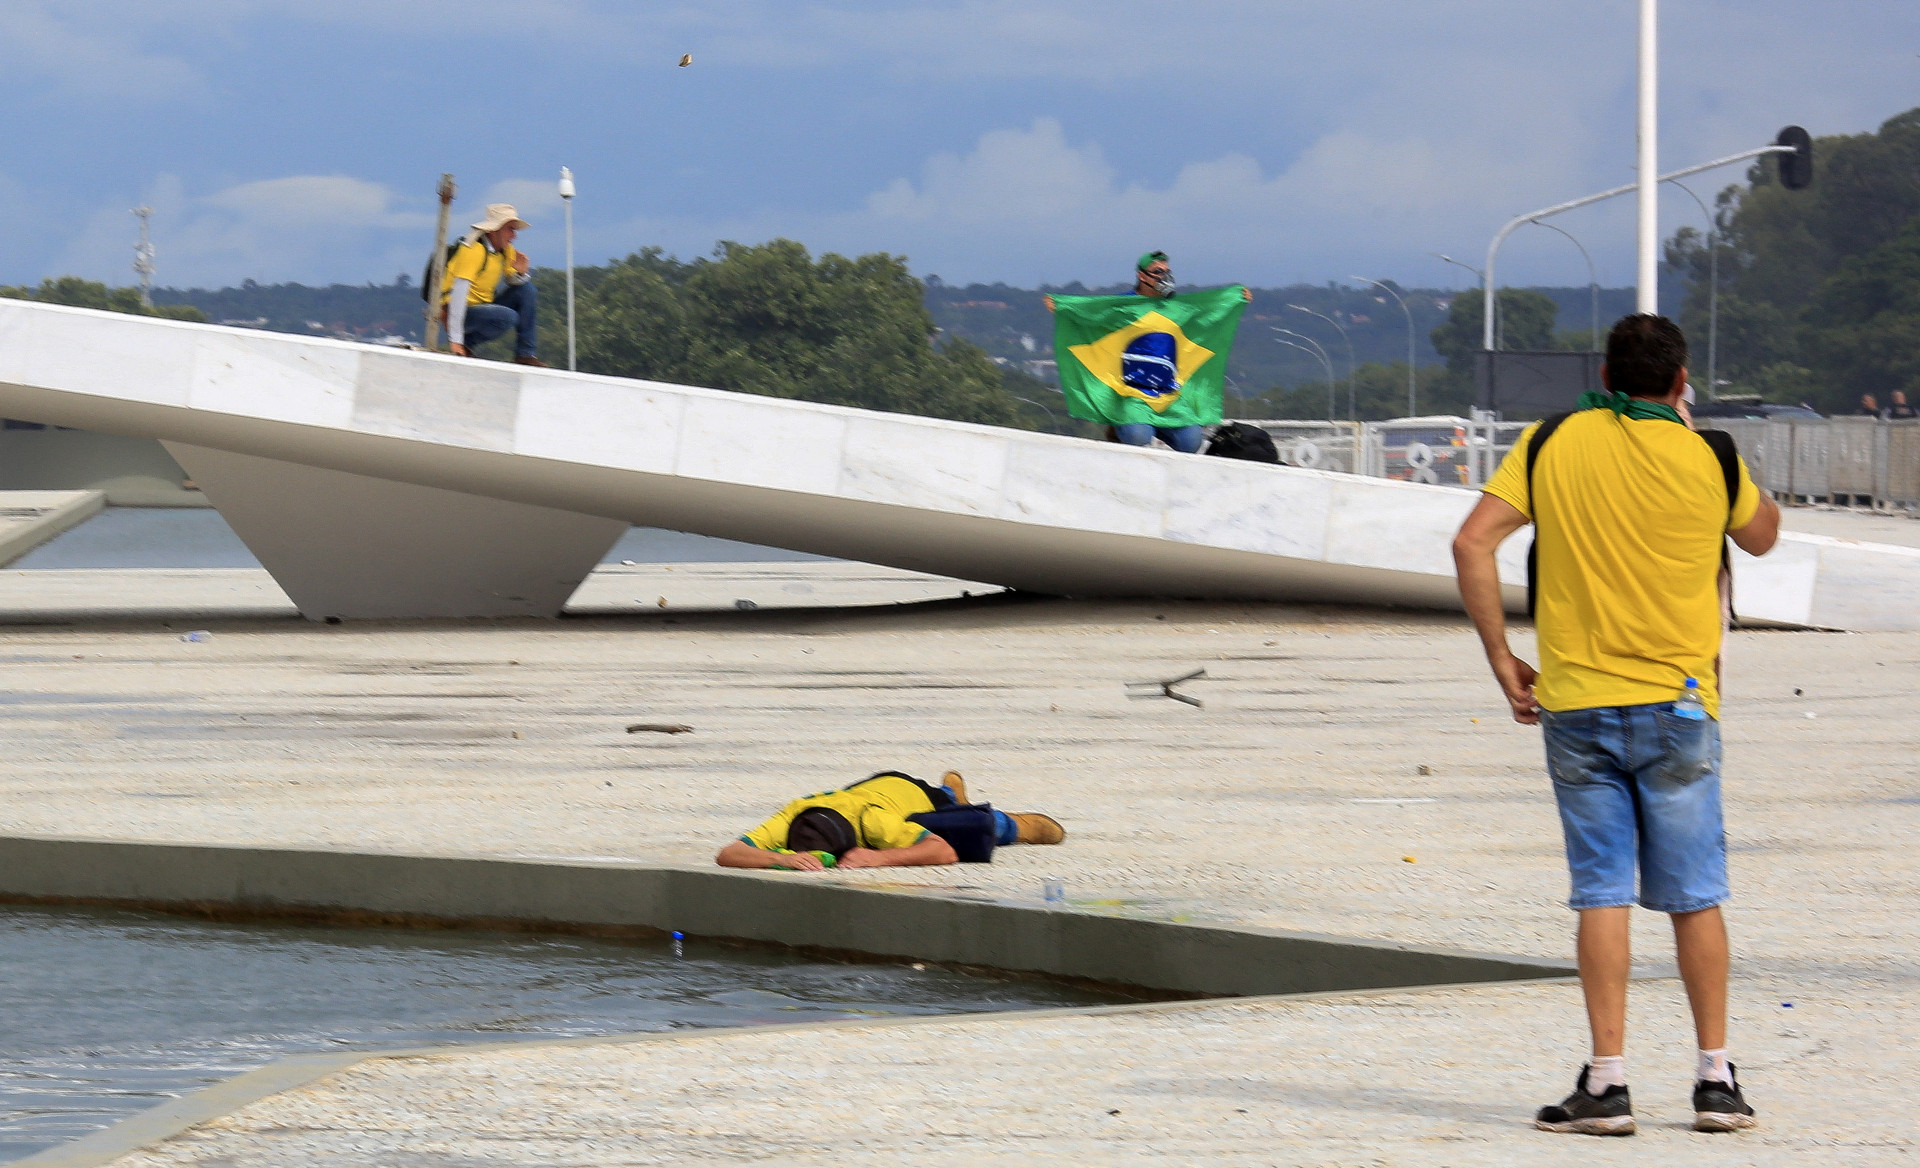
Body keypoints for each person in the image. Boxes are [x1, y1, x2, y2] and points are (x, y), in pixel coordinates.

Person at [1451, 315, 1781, 1137]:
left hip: (1577, 703)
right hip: (1680, 706)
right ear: (1680, 381)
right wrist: (1698, 439)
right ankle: (1715, 1080)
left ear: (1604, 372)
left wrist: (1502, 657)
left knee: (1602, 892)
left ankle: (1607, 1084)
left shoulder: (1551, 439)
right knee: (1695, 896)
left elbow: (1472, 543)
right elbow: (1764, 536)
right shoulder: (1710, 455)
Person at [1045, 251, 1252, 453]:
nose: (1164, 276)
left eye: (1166, 271)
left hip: (1168, 394)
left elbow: (1208, 315)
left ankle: (1155, 429)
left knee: (1191, 443)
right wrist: (1063, 306)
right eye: (1157, 271)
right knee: (1138, 437)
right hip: (1133, 392)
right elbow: (1094, 312)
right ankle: (1121, 425)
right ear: (1142, 276)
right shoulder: (1125, 305)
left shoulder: (1177, 307)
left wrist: (1234, 299)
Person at [714, 770, 1064, 871]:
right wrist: (781, 858)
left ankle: (1017, 824)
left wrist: (879, 857)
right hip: (864, 788)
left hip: (910, 794)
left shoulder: (873, 824)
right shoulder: (793, 814)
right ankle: (954, 794)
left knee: (973, 830)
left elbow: (942, 853)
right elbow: (728, 854)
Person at [443, 203, 547, 367]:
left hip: (485, 309)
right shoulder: (473, 251)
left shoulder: (505, 251)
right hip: (458, 313)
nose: (514, 236)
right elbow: (458, 294)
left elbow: (512, 281)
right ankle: (465, 344)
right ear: (493, 230)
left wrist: (522, 273)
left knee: (527, 290)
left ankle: (525, 354)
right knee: (508, 316)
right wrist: (454, 340)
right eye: (510, 229)